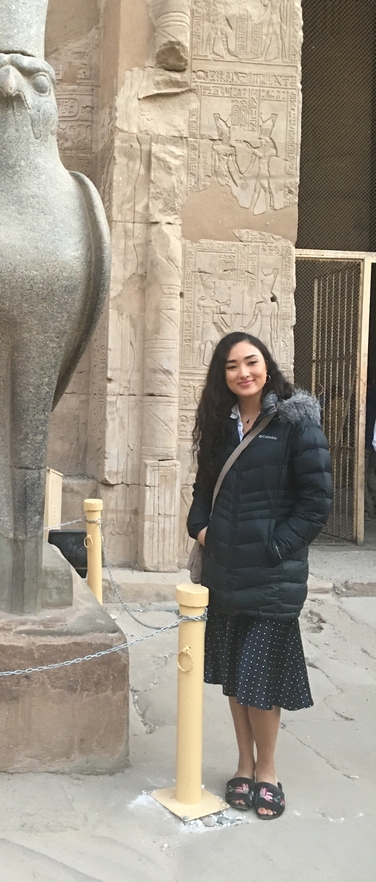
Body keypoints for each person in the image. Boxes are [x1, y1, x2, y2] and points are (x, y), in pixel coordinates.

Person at [187, 332, 332, 820]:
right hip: (225, 572)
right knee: (234, 678)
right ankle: (244, 764)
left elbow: (316, 504)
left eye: (251, 362)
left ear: (267, 366)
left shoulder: (295, 422)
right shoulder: (220, 423)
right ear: (222, 375)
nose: (243, 372)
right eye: (231, 366)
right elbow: (204, 486)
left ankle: (268, 771)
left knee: (258, 681)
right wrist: (201, 528)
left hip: (270, 575)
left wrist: (275, 547)